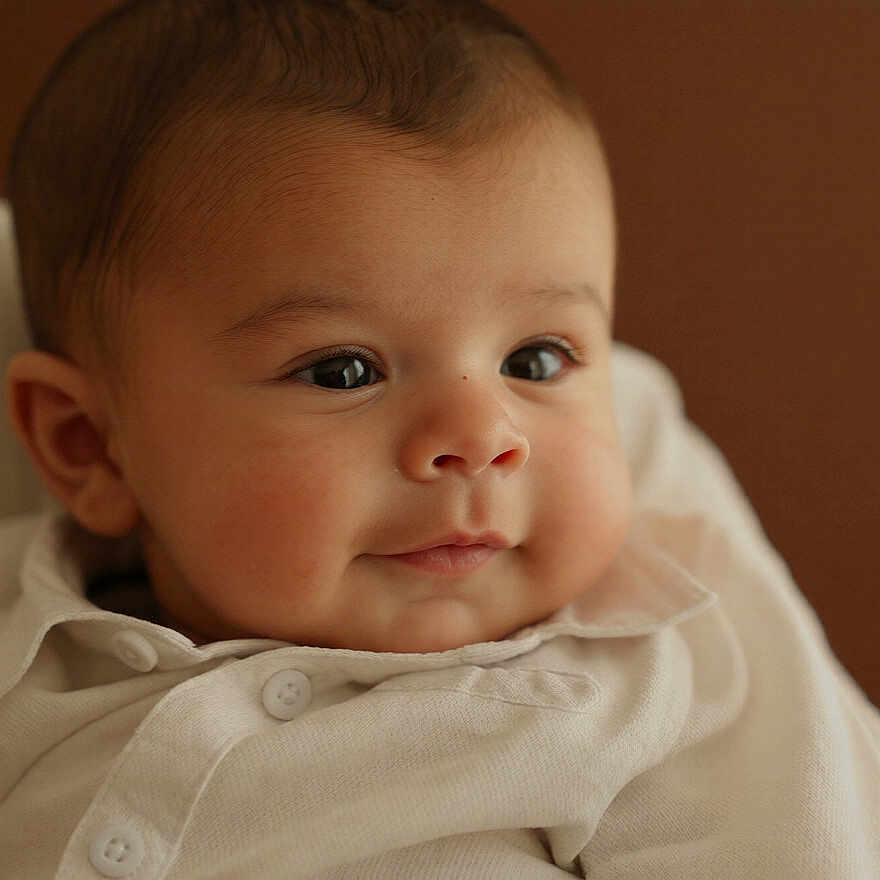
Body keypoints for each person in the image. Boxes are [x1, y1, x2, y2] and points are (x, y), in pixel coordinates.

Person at [1, 1, 877, 877]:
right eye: (343, 371)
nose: (482, 438)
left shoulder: (659, 681)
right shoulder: (24, 662)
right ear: (91, 446)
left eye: (536, 358)